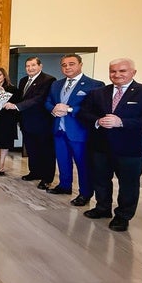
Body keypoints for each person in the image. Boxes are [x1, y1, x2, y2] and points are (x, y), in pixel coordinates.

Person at [78, 58, 142, 232]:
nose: (117, 75)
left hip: (130, 150)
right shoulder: (98, 92)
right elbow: (84, 113)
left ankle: (123, 216)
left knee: (128, 185)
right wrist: (97, 121)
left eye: (122, 71)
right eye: (113, 71)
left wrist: (122, 122)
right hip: (100, 147)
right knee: (100, 180)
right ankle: (102, 208)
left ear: (133, 72)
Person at [45, 54, 104, 205]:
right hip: (59, 130)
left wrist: (70, 109)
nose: (67, 67)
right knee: (63, 161)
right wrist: (53, 109)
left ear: (80, 64)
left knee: (83, 164)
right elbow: (48, 101)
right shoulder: (56, 84)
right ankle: (64, 186)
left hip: (79, 132)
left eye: (71, 64)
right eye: (64, 65)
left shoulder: (94, 84)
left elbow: (95, 107)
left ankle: (85, 194)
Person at [5, 56, 55, 189]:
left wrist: (16, 106)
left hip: (41, 122)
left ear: (40, 66)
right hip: (26, 121)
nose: (30, 68)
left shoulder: (48, 80)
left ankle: (46, 178)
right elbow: (19, 97)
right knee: (32, 149)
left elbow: (38, 99)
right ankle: (34, 172)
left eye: (33, 65)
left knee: (45, 151)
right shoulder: (23, 81)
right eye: (28, 66)